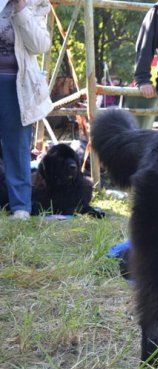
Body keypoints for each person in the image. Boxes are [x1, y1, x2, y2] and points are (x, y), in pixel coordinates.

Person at [0, 0, 53, 219]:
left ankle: (20, 207)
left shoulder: (36, 4)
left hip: (17, 85)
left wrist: (20, 7)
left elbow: (40, 45)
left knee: (18, 147)